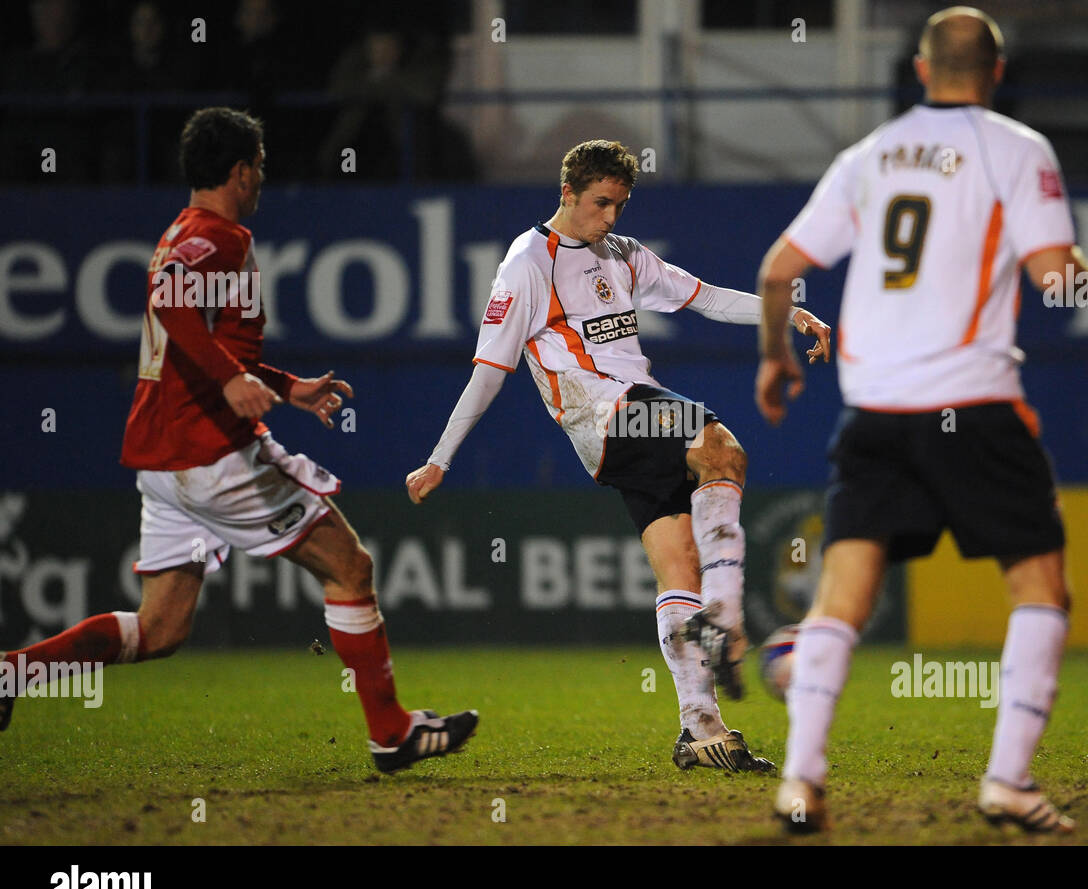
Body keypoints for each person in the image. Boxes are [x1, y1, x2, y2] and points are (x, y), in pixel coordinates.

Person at [0, 107, 477, 773]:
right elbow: (172, 304)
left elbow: (202, 338)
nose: (261, 181)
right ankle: (391, 731)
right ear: (240, 170)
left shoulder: (183, 232)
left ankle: (12, 673)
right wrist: (230, 382)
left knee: (161, 628)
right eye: (258, 168)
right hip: (210, 454)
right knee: (351, 567)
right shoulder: (216, 236)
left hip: (163, 461)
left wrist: (285, 387)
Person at [756, 7, 1088, 833]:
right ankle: (1006, 781)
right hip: (974, 406)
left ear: (920, 71)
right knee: (1040, 587)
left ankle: (801, 783)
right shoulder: (1016, 149)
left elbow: (780, 269)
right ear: (996, 73)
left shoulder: (868, 155)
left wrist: (775, 359)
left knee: (840, 599)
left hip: (875, 414)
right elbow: (1056, 278)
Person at [406, 139, 831, 772]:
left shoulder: (622, 253)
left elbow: (704, 297)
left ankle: (702, 730)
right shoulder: (528, 262)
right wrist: (440, 457)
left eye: (620, 205)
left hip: (634, 416)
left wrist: (786, 312)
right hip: (602, 415)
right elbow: (490, 370)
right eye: (601, 204)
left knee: (679, 567)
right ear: (567, 194)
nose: (610, 218)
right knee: (722, 448)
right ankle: (726, 613)